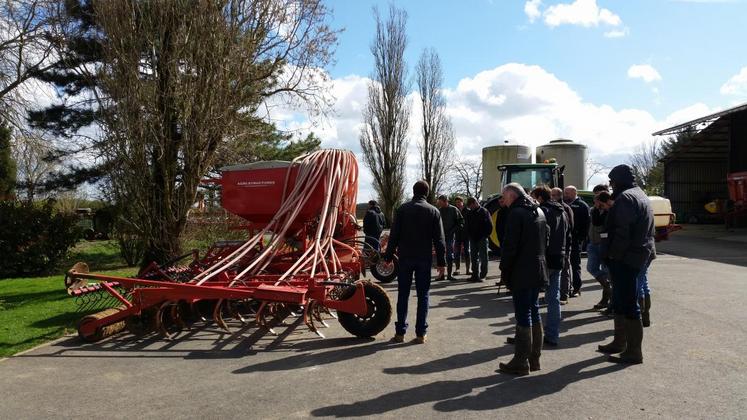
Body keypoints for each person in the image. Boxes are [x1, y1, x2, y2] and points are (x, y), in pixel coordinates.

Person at [598, 164, 655, 364]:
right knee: (622, 301)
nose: (610, 185)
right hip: (636, 256)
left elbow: (622, 232)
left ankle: (633, 351)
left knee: (629, 303)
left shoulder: (625, 198)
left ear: (618, 180)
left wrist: (612, 256)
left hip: (626, 258)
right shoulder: (640, 195)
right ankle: (619, 342)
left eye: (612, 181)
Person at [384, 180, 446, 344]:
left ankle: (400, 333)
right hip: (424, 259)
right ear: (427, 192)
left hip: (405, 258)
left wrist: (388, 257)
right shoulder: (433, 211)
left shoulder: (402, 209)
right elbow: (439, 240)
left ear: (413, 191)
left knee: (403, 295)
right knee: (423, 295)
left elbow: (394, 236)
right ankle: (420, 333)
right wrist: (441, 262)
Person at [498, 183, 549, 375]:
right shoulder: (538, 211)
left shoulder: (516, 213)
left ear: (511, 195)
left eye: (504, 196)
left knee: (523, 314)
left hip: (522, 270)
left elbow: (510, 247)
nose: (504, 201)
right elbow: (547, 238)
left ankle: (521, 361)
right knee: (534, 311)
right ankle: (534, 358)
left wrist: (505, 269)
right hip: (538, 268)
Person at [531, 185, 567, 347]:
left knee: (531, 298)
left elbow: (539, 237)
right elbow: (568, 233)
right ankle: (552, 335)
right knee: (554, 299)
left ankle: (531, 335)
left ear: (539, 197)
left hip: (545, 259)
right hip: (559, 257)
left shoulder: (542, 212)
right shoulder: (562, 211)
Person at [588, 185, 611, 310]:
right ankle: (608, 288)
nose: (596, 198)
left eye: (598, 196)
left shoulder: (609, 209)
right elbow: (594, 223)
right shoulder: (594, 209)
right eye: (595, 196)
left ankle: (607, 300)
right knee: (591, 267)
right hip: (593, 243)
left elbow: (599, 223)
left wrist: (600, 209)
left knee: (607, 272)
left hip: (604, 244)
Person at [564, 186, 590, 297]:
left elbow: (587, 224)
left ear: (574, 192)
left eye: (567, 193)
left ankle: (576, 288)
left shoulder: (582, 205)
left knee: (575, 265)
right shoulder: (564, 205)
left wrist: (580, 238)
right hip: (565, 239)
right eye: (565, 193)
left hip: (575, 240)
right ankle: (565, 288)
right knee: (565, 265)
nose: (565, 195)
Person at [551, 187, 574, 304]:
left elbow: (570, 227)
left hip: (565, 244)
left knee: (565, 269)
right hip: (556, 245)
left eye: (555, 195)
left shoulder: (566, 208)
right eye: (551, 195)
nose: (552, 197)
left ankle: (564, 294)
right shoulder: (550, 208)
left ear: (560, 196)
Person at [464, 197, 492, 282]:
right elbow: (467, 225)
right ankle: (475, 275)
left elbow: (490, 226)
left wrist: (485, 236)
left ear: (475, 203)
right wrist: (469, 235)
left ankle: (483, 275)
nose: (470, 208)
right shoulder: (469, 213)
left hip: (482, 238)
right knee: (473, 257)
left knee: (484, 257)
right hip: (473, 238)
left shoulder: (484, 211)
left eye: (471, 206)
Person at [437, 195, 464, 281]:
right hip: (441, 237)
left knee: (449, 255)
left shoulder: (453, 209)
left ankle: (449, 275)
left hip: (450, 236)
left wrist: (453, 230)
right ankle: (441, 275)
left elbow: (461, 221)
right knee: (441, 256)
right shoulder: (439, 210)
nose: (439, 204)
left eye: (440, 202)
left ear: (445, 201)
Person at [453, 197, 470, 276]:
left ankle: (468, 269)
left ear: (463, 202)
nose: (458, 204)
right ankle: (457, 269)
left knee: (467, 251)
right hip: (457, 235)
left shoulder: (468, 211)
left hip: (466, 235)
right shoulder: (454, 211)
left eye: (459, 202)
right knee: (457, 252)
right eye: (456, 203)